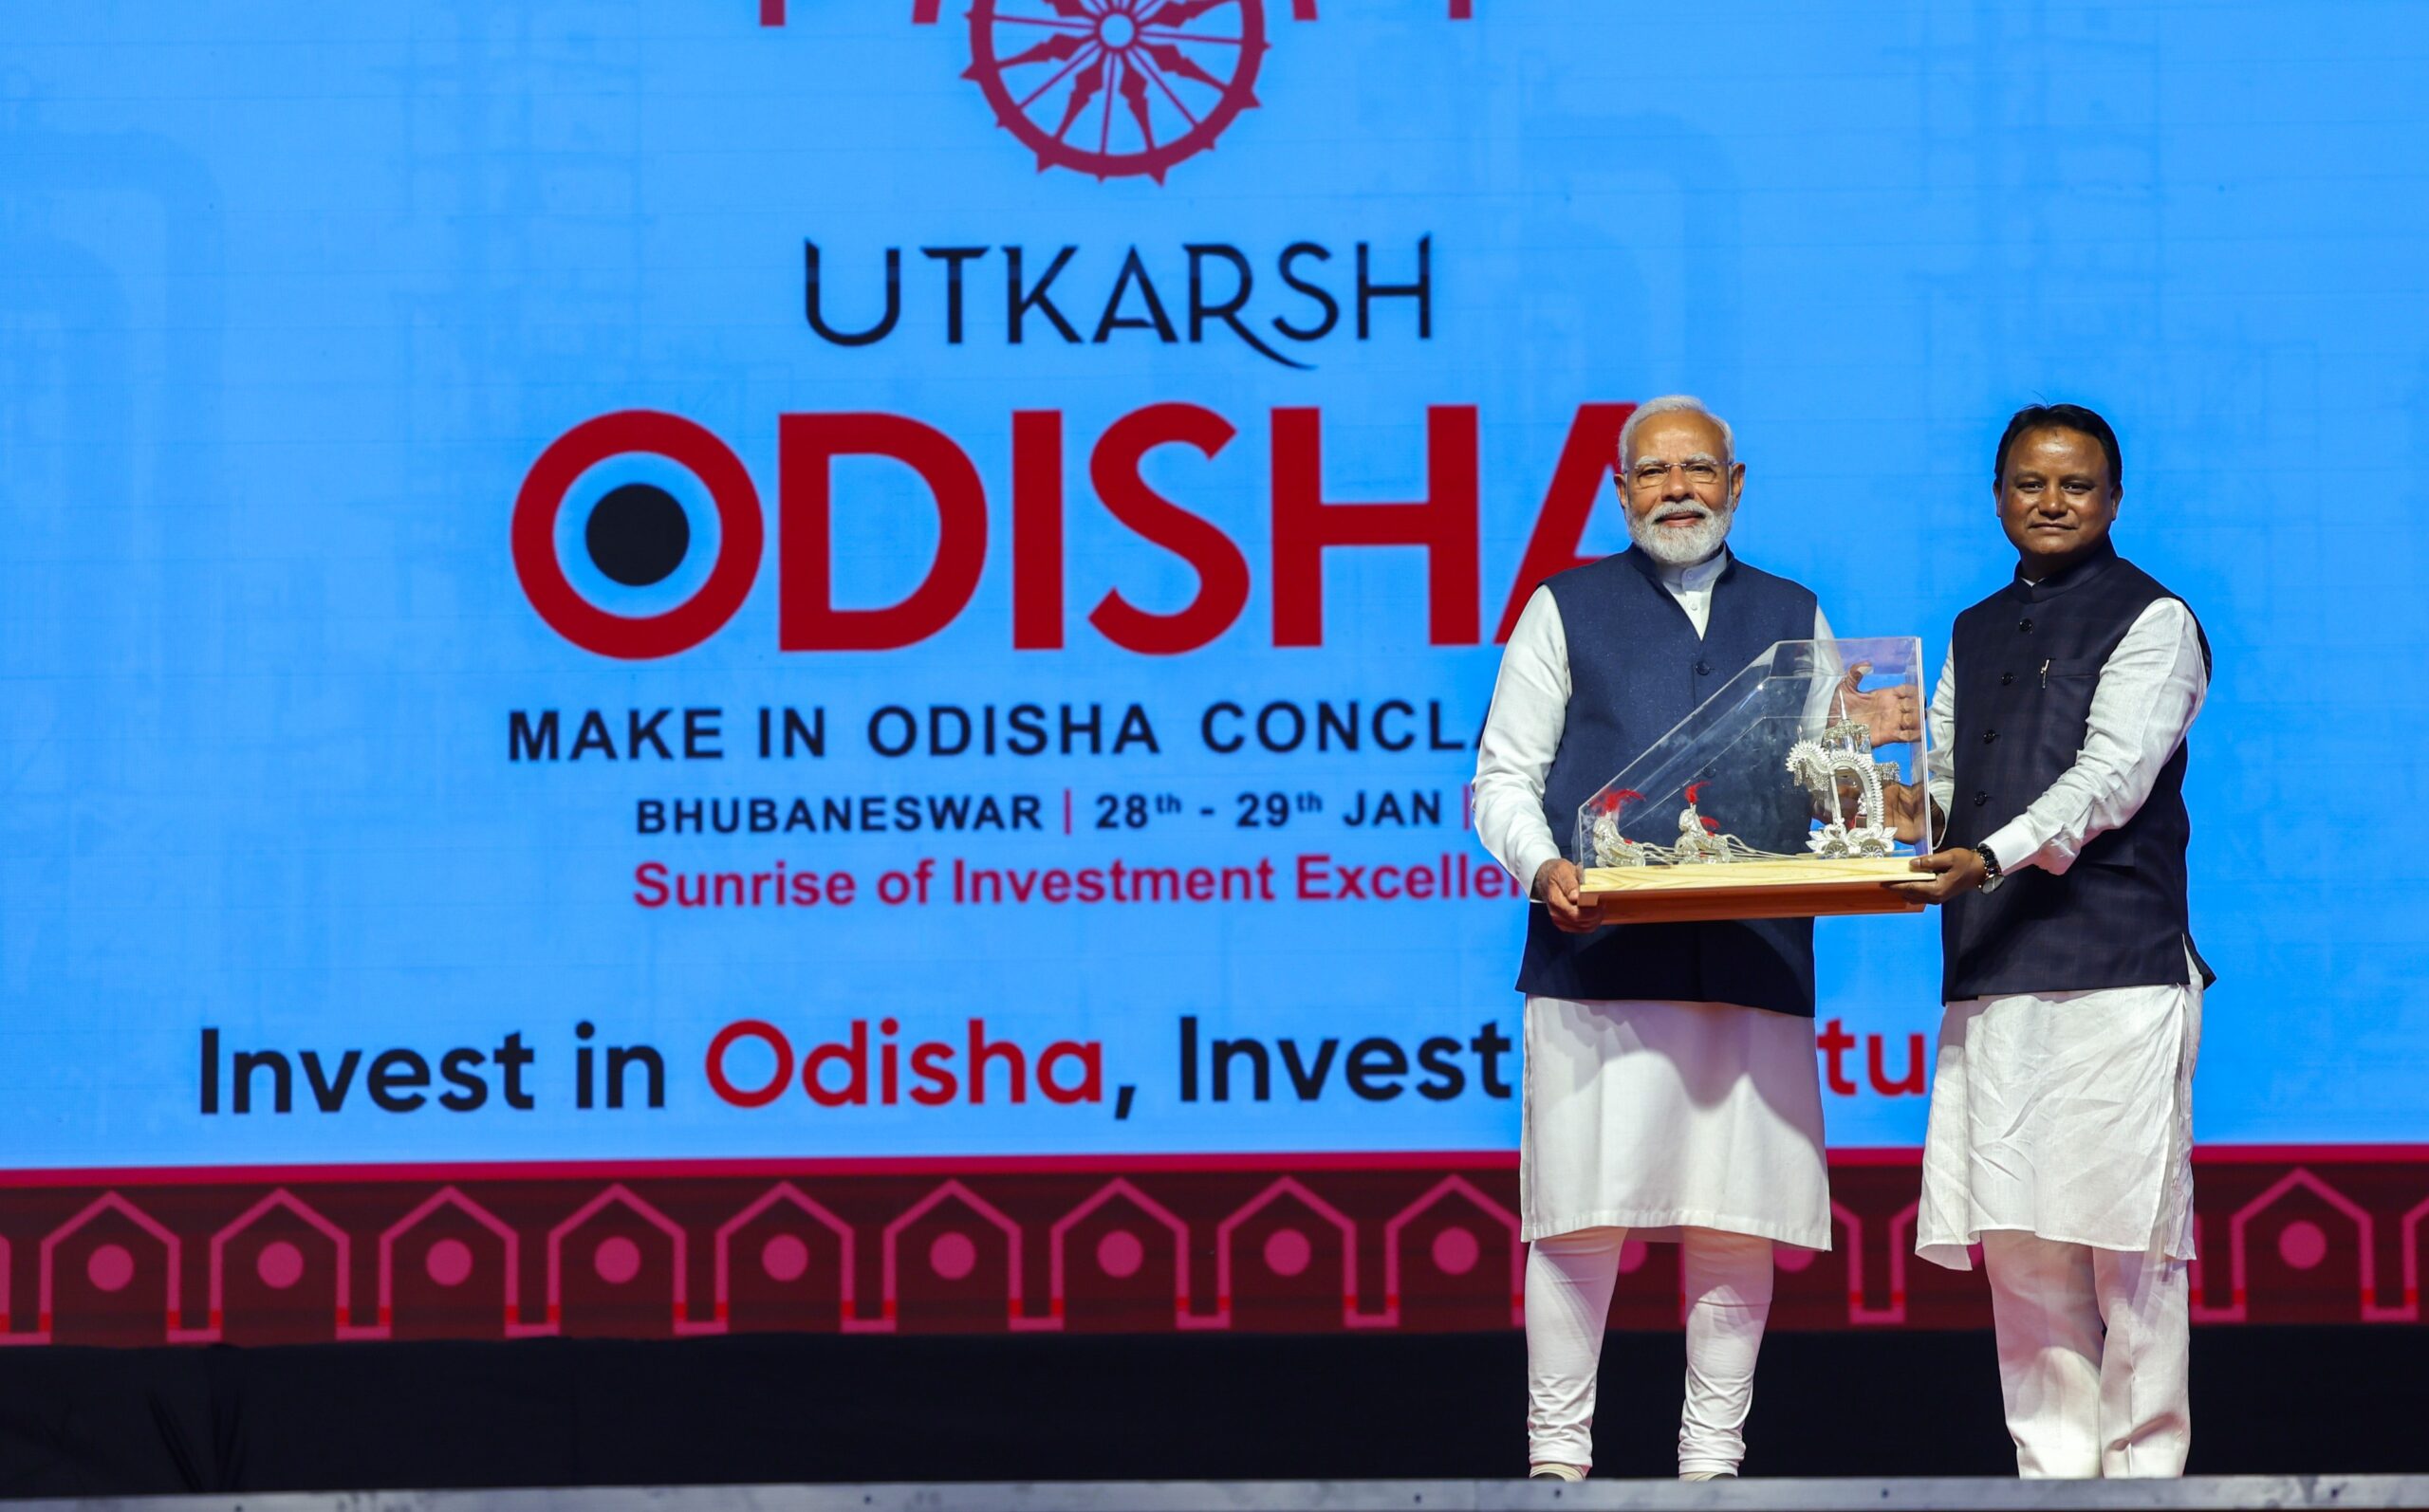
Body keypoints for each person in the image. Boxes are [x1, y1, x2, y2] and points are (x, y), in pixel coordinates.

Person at [1473, 395, 1915, 1482]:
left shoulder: (1795, 610)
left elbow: (1835, 782)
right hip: (1596, 961)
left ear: (1736, 483)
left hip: (1749, 961)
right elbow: (1499, 782)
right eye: (1653, 471)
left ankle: (1711, 1469)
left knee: (1734, 1211)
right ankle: (1555, 1465)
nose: (1676, 488)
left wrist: (1884, 817)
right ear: (1619, 491)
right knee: (1578, 1216)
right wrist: (1545, 868)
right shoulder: (1560, 605)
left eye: (1698, 469)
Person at [1888, 403, 2211, 1478]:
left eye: (2076, 485)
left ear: (2113, 499)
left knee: (2130, 1249)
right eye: (2031, 484)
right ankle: (2052, 1485)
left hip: (2116, 974)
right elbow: (1935, 779)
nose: (2052, 502)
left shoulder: (2152, 619)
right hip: (1992, 977)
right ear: (1997, 499)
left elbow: (2110, 781)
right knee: (2021, 1248)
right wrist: (1867, 817)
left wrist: (1983, 857)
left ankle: (2146, 1482)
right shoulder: (1973, 627)